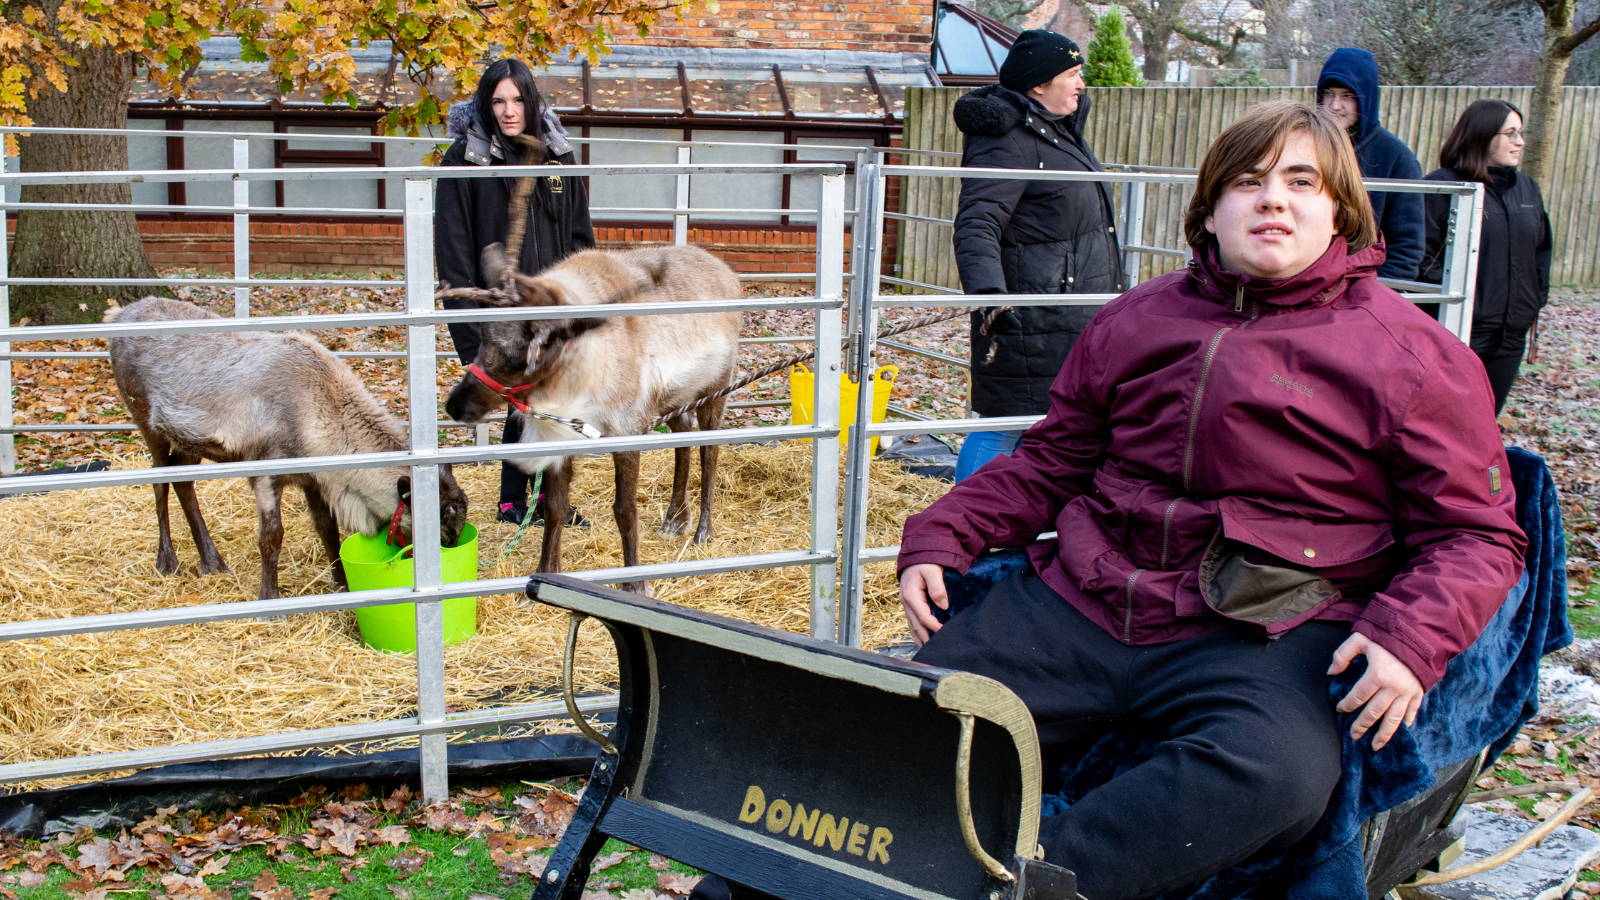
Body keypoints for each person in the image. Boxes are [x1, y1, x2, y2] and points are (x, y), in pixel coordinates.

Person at [897, 99, 1524, 900]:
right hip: (1089, 595)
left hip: (1271, 621)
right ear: (1210, 208)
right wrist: (942, 532)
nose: (1272, 199)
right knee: (910, 727)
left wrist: (1409, 636)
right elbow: (1053, 459)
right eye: (1249, 180)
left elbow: (1477, 535)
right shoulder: (1136, 320)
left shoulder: (1411, 355)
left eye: (1302, 181)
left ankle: (1025, 885)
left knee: (1279, 774)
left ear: (1339, 209)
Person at [948, 29, 1123, 482]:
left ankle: (1007, 523)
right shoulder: (1006, 139)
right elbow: (977, 222)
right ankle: (963, 525)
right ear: (1038, 85)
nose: (1082, 84)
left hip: (1066, 311)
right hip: (1027, 314)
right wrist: (990, 298)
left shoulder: (1055, 131)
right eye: (1072, 74)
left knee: (1040, 427)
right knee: (1002, 428)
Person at [436, 58, 596, 526]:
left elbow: (581, 235)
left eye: (518, 100)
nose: (509, 111)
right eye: (498, 100)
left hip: (554, 304)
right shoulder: (464, 160)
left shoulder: (558, 156)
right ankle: (511, 500)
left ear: (532, 101)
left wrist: (583, 307)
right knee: (514, 394)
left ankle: (552, 498)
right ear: (486, 104)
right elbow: (453, 250)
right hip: (498, 309)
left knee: (553, 399)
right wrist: (471, 340)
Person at [1420, 98, 1553, 415]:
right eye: (1511, 133)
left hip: (1510, 338)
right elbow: (1420, 260)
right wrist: (1468, 302)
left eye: (1520, 133)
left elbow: (1541, 252)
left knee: (1484, 425)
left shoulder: (1528, 190)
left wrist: (1533, 301)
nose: (1519, 142)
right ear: (1482, 134)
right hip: (1458, 336)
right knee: (1445, 424)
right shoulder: (1442, 188)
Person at [1315, 47, 1426, 281]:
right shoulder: (1302, 147)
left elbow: (1406, 248)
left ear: (1367, 98)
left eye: (1347, 96)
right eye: (1328, 94)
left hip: (1362, 292)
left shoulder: (1397, 158)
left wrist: (1371, 297)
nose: (1334, 105)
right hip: (1301, 288)